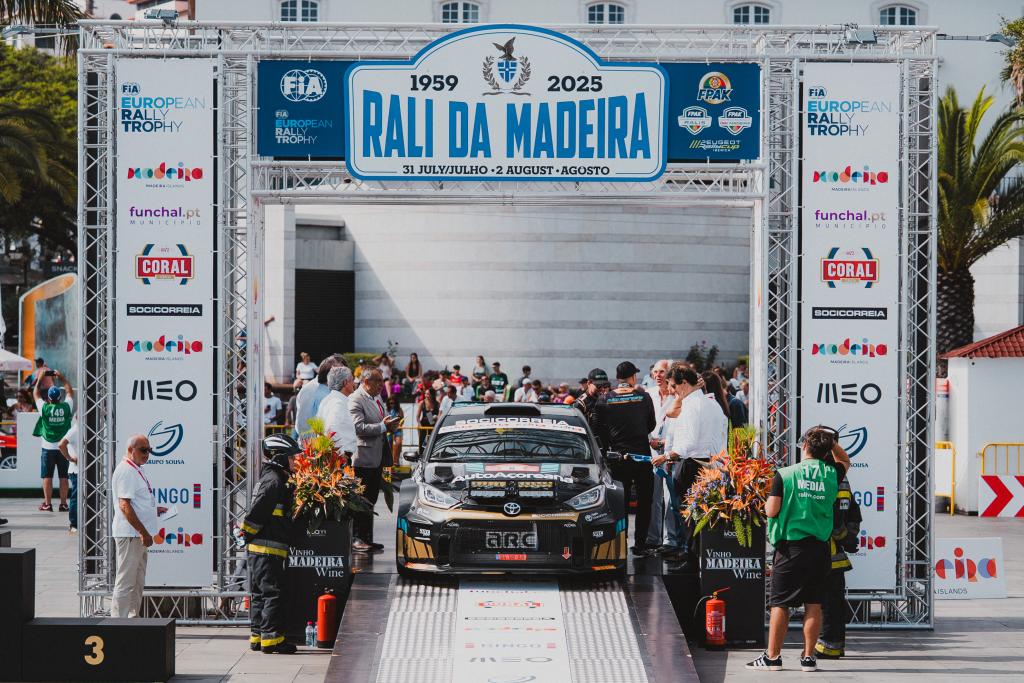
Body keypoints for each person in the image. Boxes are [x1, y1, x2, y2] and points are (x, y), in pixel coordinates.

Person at [747, 427, 850, 673]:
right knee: (813, 603)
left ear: (804, 446)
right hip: (820, 549)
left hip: (791, 549)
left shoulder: (785, 474)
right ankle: (808, 658)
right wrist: (832, 443)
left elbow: (771, 510)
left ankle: (773, 657)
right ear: (827, 450)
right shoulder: (831, 474)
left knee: (780, 603)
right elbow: (845, 460)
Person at [653, 366, 726, 569]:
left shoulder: (692, 406)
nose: (673, 391)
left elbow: (689, 442)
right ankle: (698, 558)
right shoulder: (713, 404)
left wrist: (666, 456)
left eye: (674, 386)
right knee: (702, 514)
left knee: (690, 515)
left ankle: (692, 560)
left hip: (692, 464)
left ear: (684, 383)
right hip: (712, 464)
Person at [240, 435, 301, 654]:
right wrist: (247, 533)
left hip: (261, 549)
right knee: (273, 593)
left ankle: (257, 637)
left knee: (259, 594)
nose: (295, 462)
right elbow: (258, 512)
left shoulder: (271, 478)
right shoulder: (274, 481)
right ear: (280, 457)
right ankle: (272, 640)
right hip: (268, 548)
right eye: (292, 458)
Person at [592, 361, 657, 556]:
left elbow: (597, 429)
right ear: (633, 377)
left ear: (617, 377)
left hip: (618, 458)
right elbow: (651, 425)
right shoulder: (644, 397)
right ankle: (640, 545)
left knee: (620, 503)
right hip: (642, 457)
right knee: (644, 502)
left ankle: (620, 544)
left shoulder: (604, 399)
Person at [348, 370, 401, 552]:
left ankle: (367, 538)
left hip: (376, 457)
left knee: (370, 499)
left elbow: (381, 423)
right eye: (377, 380)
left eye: (382, 380)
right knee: (360, 500)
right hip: (362, 459)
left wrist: (390, 426)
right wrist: (382, 427)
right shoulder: (356, 399)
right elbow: (357, 427)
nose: (381, 384)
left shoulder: (376, 398)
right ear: (365, 381)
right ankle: (357, 538)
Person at [111, 434, 162, 618]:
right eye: (143, 450)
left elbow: (136, 502)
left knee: (137, 580)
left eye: (149, 450)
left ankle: (132, 618)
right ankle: (118, 622)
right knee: (126, 580)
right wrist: (143, 532)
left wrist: (154, 510)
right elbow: (124, 505)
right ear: (130, 450)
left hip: (136, 535)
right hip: (131, 534)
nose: (147, 454)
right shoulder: (126, 470)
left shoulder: (136, 469)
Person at [816, 476, 862, 660]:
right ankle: (835, 646)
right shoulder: (843, 479)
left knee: (824, 604)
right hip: (835, 557)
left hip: (821, 555)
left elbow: (831, 517)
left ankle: (827, 646)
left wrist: (844, 537)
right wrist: (848, 537)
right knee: (834, 604)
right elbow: (854, 513)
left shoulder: (822, 476)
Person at [644, 360, 677, 551]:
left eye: (662, 371)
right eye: (655, 372)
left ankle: (670, 539)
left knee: (670, 498)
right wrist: (650, 440)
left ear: (670, 373)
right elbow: (643, 421)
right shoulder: (648, 394)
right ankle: (653, 538)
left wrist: (665, 442)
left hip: (672, 451)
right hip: (651, 451)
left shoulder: (678, 396)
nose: (657, 375)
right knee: (654, 497)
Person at [33, 370, 74, 512]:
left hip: (47, 448)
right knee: (64, 477)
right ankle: (63, 504)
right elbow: (70, 391)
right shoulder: (66, 407)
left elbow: (36, 393)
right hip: (63, 448)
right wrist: (62, 377)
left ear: (49, 398)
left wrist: (40, 378)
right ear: (59, 397)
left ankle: (48, 504)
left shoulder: (44, 408)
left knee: (47, 476)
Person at [293, 354, 345, 438]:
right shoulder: (324, 393)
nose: (343, 376)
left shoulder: (310, 388)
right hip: (318, 441)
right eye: (340, 372)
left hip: (310, 440)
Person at [317, 367, 357, 457]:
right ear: (345, 382)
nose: (354, 384)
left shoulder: (328, 399)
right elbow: (331, 429)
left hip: (333, 455)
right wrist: (341, 454)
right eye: (352, 380)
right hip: (339, 457)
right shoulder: (338, 402)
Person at [58, 418, 80, 532]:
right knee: (76, 497)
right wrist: (70, 458)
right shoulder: (75, 430)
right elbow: (61, 444)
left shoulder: (82, 429)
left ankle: (78, 522)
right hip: (76, 471)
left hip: (82, 470)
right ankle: (74, 524)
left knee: (79, 496)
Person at [415, 389, 439, 454]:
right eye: (425, 394)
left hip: (433, 426)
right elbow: (417, 417)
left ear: (432, 395)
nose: (426, 395)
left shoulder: (437, 403)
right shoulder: (422, 403)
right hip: (423, 426)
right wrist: (420, 425)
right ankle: (421, 455)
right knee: (422, 443)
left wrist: (436, 417)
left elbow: (439, 415)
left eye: (428, 394)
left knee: (432, 442)